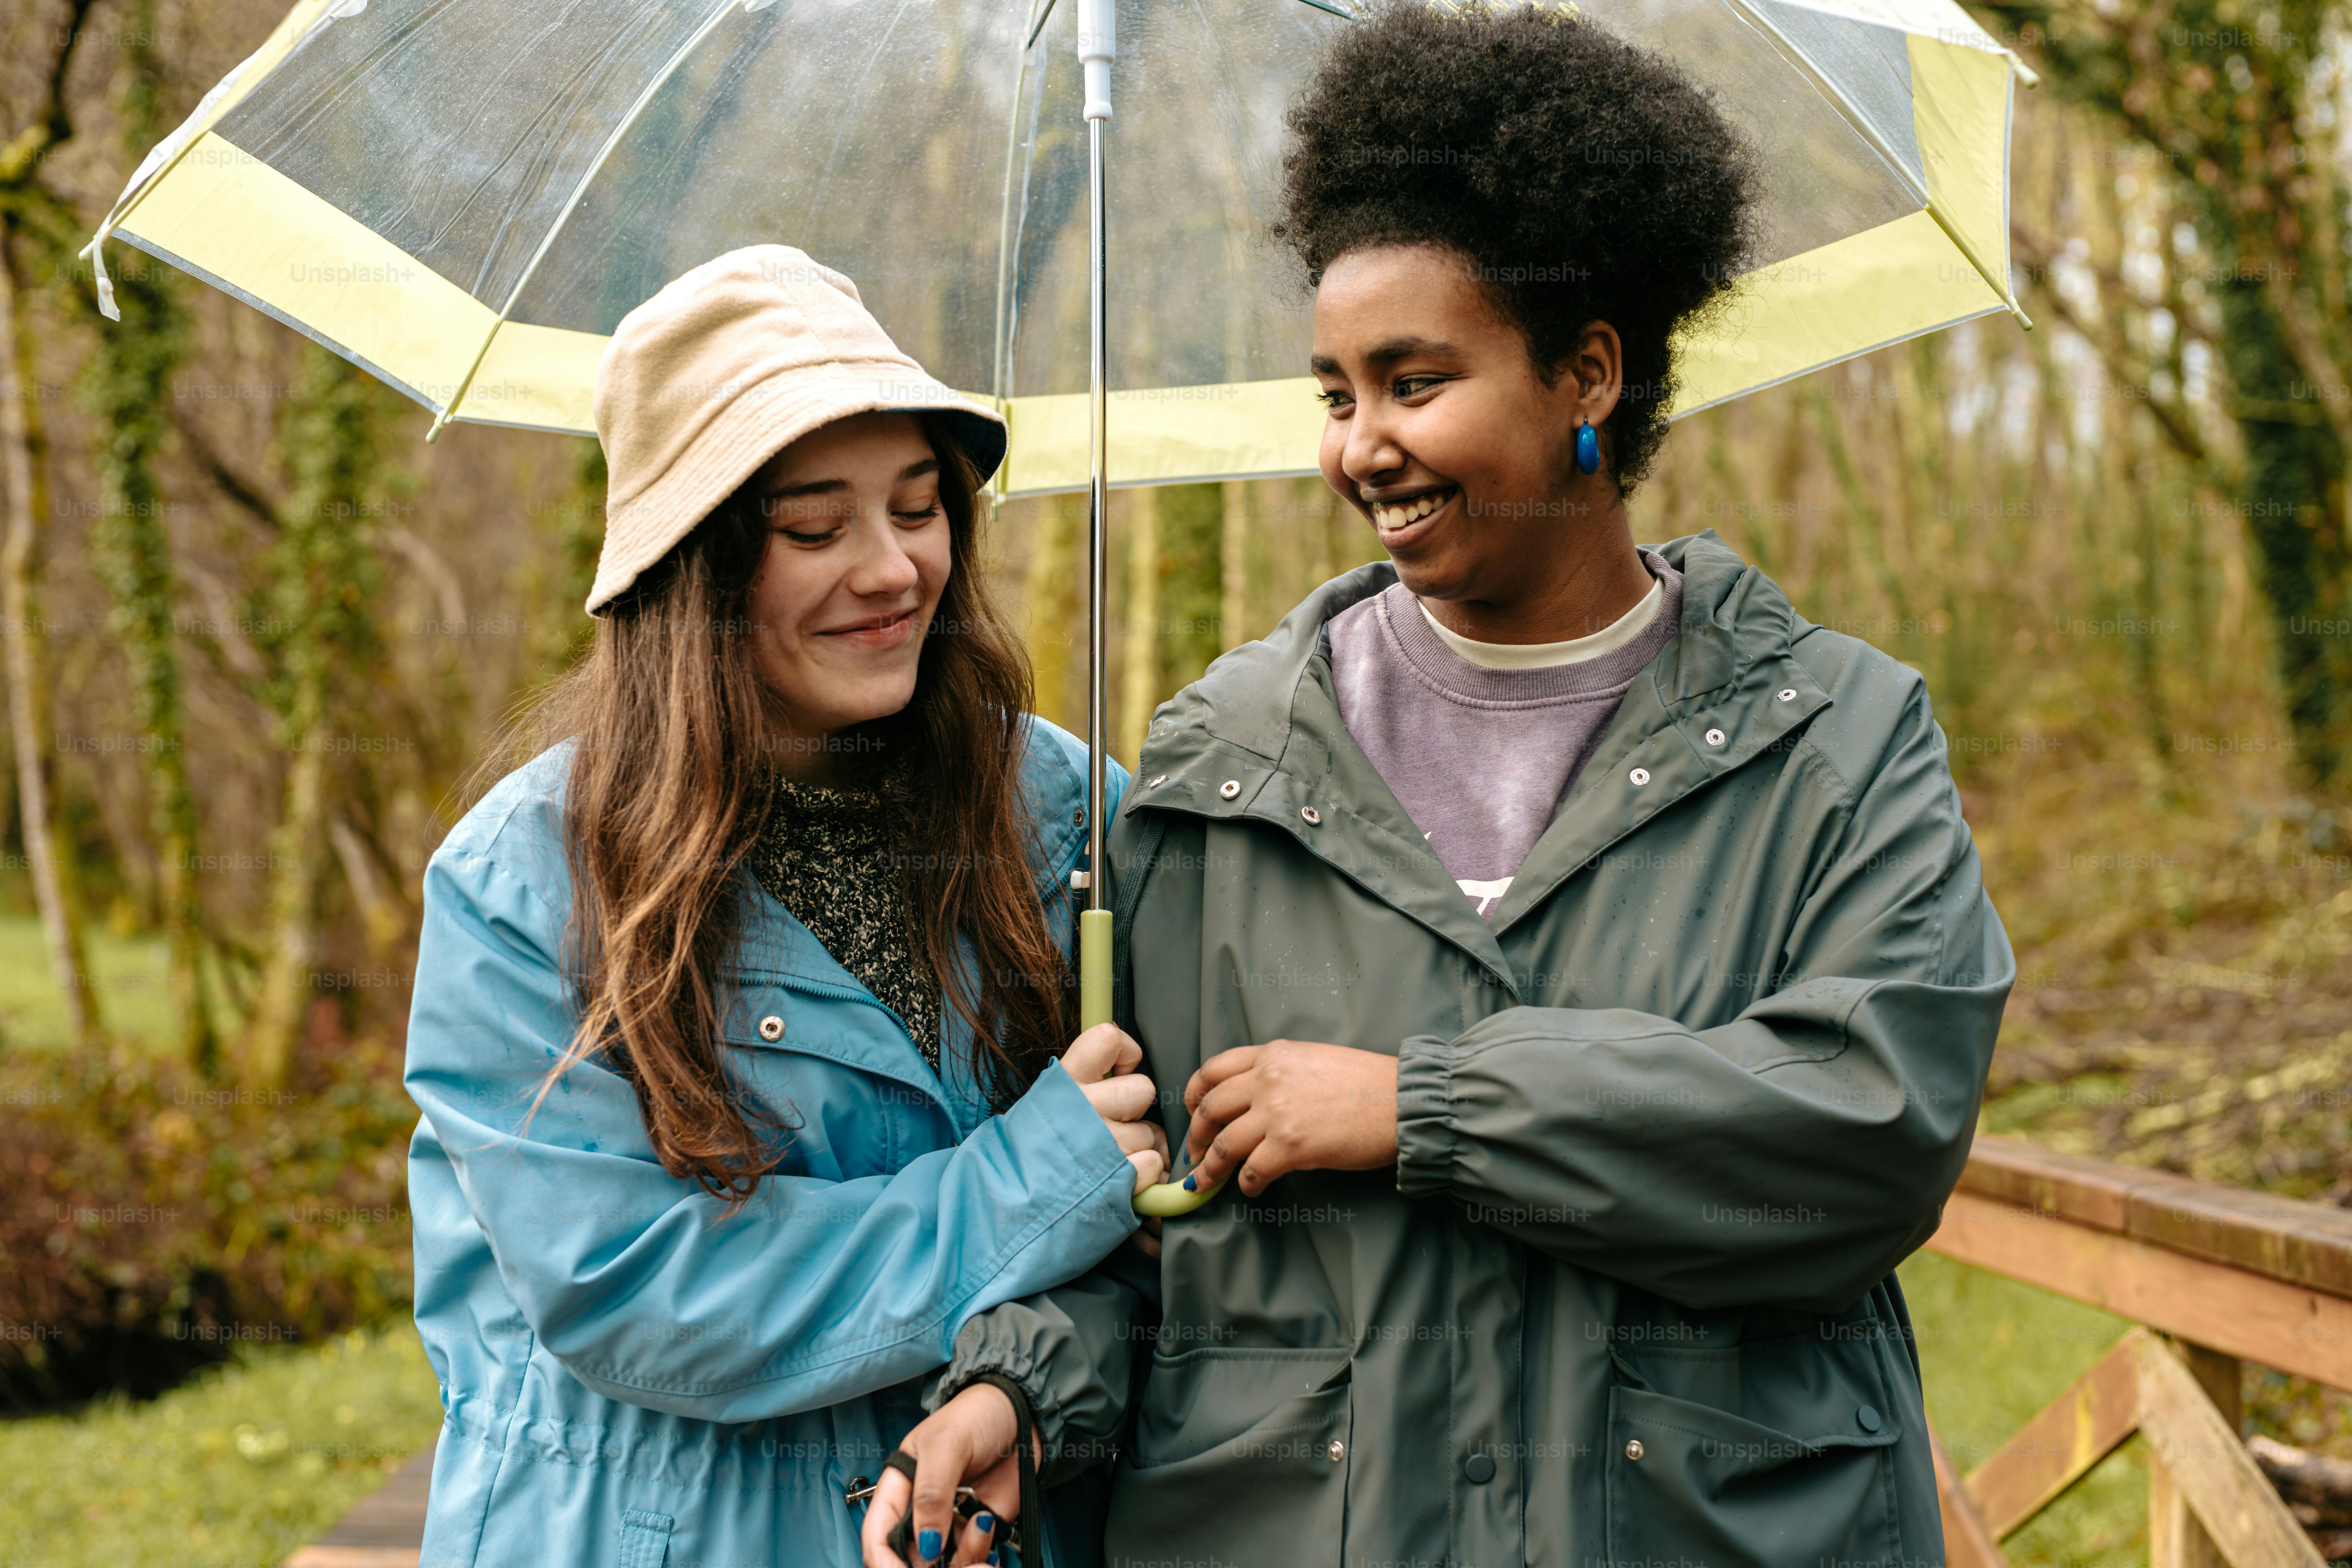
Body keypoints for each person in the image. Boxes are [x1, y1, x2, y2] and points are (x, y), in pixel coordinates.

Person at [880, 7, 2013, 1567]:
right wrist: (1020, 1390)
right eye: (1337, 394)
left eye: (1415, 380)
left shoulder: (1835, 738)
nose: (1362, 446)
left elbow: (1865, 1133)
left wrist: (1423, 1106)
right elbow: (1158, 1229)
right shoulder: (1221, 771)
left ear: (1586, 372)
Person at [404, 246, 1167, 1568]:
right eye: (814, 529)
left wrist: (1029, 1387)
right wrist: (1026, 1185)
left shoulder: (1067, 814)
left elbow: (1168, 1210)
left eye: (920, 508)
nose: (891, 571)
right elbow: (635, 1287)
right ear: (690, 569)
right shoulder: (528, 882)